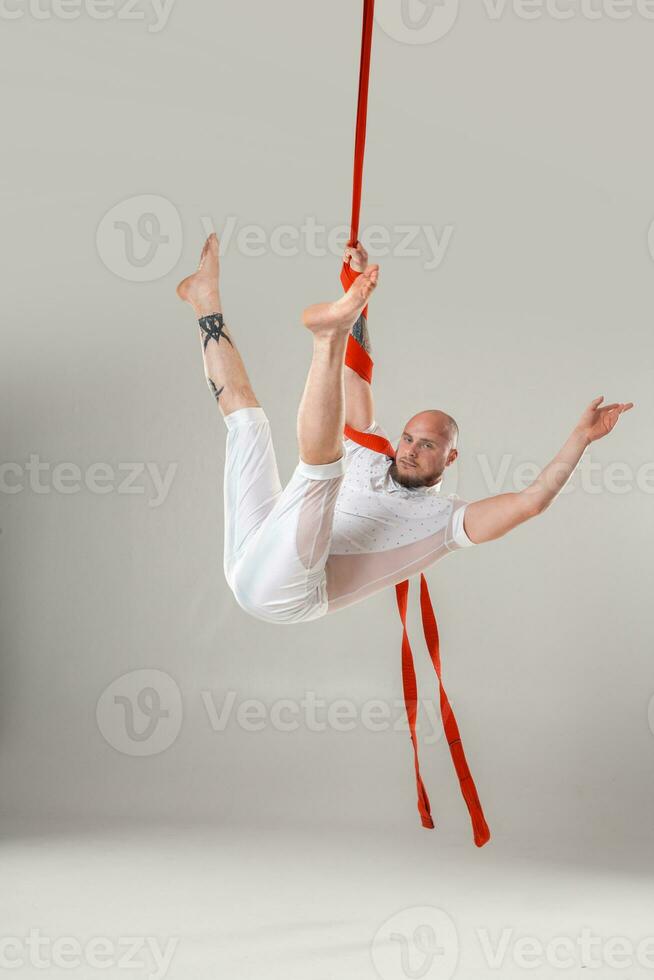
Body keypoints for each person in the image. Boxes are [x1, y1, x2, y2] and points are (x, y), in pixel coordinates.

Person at [177, 234, 633, 624]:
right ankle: (204, 298)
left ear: (450, 457)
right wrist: (356, 294)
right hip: (246, 558)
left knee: (323, 473)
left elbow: (531, 502)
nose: (410, 450)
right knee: (247, 422)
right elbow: (357, 375)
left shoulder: (447, 523)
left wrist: (582, 438)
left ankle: (326, 339)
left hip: (288, 593)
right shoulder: (371, 450)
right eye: (408, 438)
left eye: (428, 445)